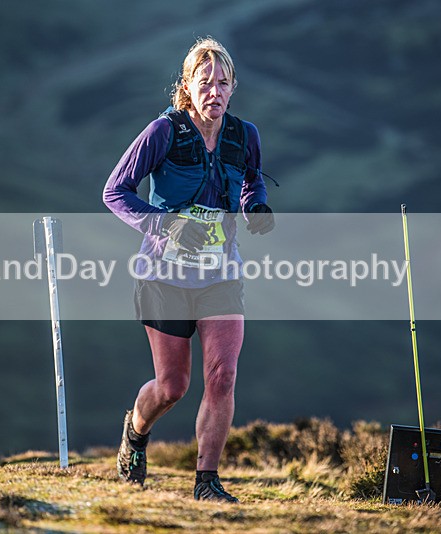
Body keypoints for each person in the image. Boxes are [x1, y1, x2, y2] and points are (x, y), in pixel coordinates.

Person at [103, 37, 275, 502]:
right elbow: (115, 191)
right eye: (205, 83)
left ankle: (207, 482)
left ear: (233, 86)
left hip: (221, 275)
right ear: (186, 86)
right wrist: (168, 225)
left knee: (222, 376)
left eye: (223, 83)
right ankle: (136, 433)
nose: (214, 91)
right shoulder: (164, 131)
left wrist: (255, 204)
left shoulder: (244, 135)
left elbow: (250, 177)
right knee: (173, 386)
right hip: (164, 276)